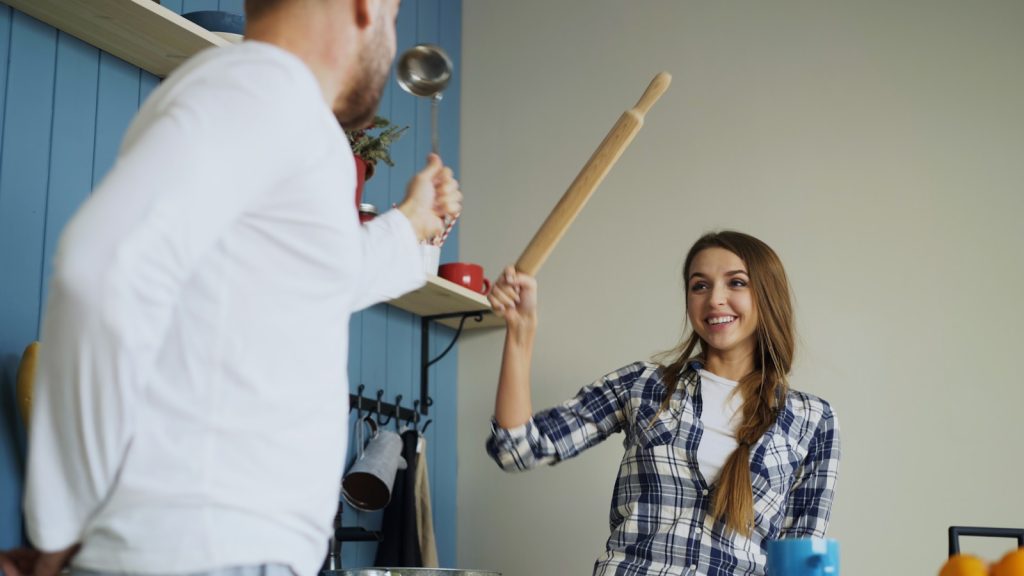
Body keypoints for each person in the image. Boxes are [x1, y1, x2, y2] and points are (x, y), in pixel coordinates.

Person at [10, 1, 462, 576]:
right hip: (211, 553)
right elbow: (99, 268)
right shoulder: (262, 89)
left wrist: (408, 224)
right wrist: (59, 528)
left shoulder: (282, 111)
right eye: (394, 14)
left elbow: (315, 276)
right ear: (363, 6)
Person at [485, 231, 840, 576]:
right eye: (700, 285)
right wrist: (521, 330)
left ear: (767, 294)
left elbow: (800, 558)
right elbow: (517, 449)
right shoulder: (643, 385)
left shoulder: (812, 420)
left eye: (736, 283)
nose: (715, 299)